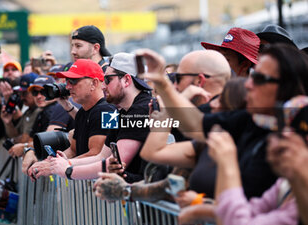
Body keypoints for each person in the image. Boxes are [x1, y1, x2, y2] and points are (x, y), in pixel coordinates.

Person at [136, 43, 308, 200]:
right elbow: (193, 125)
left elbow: (266, 213)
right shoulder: (249, 119)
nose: (249, 84)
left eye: (260, 78)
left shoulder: (295, 140)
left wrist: (201, 206)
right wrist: (162, 83)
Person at [94, 78, 247, 203]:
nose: (104, 85)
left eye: (108, 79)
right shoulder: (206, 141)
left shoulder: (243, 144)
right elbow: (160, 177)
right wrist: (125, 184)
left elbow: (163, 175)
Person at [36, 53, 152, 182]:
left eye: (108, 79)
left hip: (145, 196)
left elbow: (114, 163)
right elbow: (102, 156)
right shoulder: (122, 112)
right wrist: (62, 164)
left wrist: (68, 169)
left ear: (126, 80)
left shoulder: (140, 110)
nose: (103, 86)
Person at [24, 59, 115, 176]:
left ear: (94, 83)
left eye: (73, 81)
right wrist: (47, 163)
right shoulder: (83, 111)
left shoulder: (105, 111)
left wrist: (56, 166)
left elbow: (96, 155)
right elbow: (73, 150)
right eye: (67, 81)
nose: (67, 87)